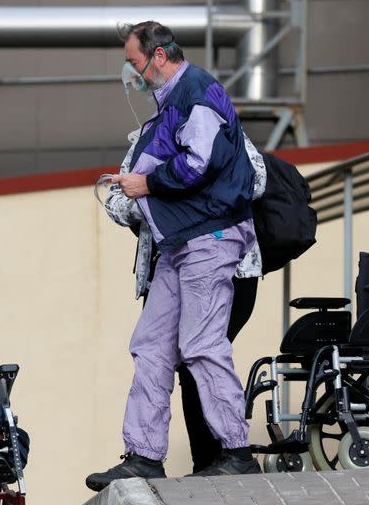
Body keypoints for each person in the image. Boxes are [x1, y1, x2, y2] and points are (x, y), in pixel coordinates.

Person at [85, 21, 261, 491]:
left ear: (159, 56)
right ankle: (142, 455)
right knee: (151, 344)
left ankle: (237, 452)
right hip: (179, 243)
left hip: (209, 237)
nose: (132, 72)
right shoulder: (172, 103)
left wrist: (148, 183)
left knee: (202, 344)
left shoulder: (197, 92)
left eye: (135, 61)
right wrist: (133, 185)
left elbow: (199, 162)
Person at [102, 125, 267, 474]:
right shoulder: (143, 140)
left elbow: (255, 181)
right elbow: (115, 201)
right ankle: (147, 458)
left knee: (200, 354)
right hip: (169, 261)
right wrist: (150, 199)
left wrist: (166, 188)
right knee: (152, 351)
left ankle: (225, 459)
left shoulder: (217, 126)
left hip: (228, 267)